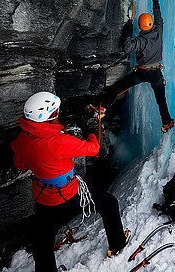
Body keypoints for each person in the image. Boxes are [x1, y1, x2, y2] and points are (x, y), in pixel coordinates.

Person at [11, 91, 129, 272]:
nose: (58, 113)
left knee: (43, 240)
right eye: (55, 111)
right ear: (49, 116)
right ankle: (117, 244)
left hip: (43, 199)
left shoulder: (21, 140)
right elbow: (93, 149)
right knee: (109, 203)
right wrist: (91, 131)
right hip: (69, 194)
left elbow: (20, 164)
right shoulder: (60, 141)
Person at [93, 0, 174, 133]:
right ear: (151, 24)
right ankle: (166, 123)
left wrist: (128, 29)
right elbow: (158, 16)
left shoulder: (140, 41)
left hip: (142, 73)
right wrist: (155, 1)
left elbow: (127, 47)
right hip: (155, 74)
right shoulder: (159, 30)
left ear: (141, 27)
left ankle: (102, 107)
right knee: (161, 100)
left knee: (119, 87)